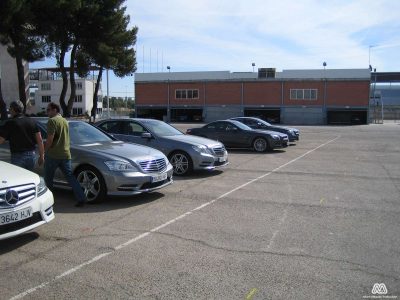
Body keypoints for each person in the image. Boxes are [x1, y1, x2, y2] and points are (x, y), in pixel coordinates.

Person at [44, 102, 86, 207]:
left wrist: (44, 151)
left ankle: (49, 202)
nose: (47, 112)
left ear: (55, 110)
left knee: (48, 179)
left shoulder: (52, 121)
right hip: (66, 154)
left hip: (53, 154)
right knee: (71, 178)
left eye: (48, 110)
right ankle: (81, 197)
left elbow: (50, 139)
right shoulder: (64, 121)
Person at [0, 100, 44, 171]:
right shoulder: (32, 121)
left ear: (13, 110)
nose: (9, 111)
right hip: (32, 155)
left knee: (18, 179)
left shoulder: (10, 123)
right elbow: (40, 140)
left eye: (10, 109)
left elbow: (1, 140)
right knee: (29, 178)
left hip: (18, 156)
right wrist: (42, 155)